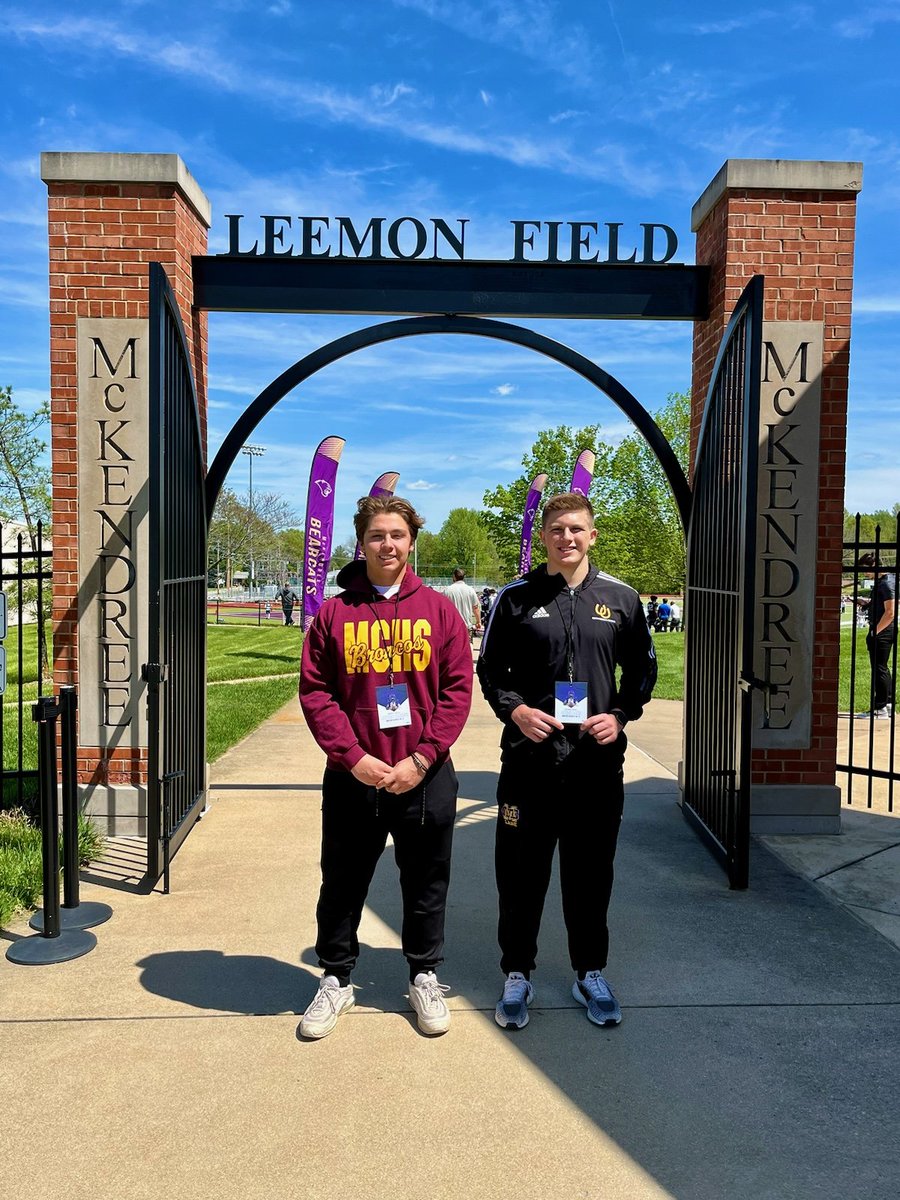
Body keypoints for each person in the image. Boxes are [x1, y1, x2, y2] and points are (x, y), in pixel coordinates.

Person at [477, 493, 657, 1031]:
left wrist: (621, 714)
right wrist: (516, 711)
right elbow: (490, 672)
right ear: (545, 536)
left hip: (594, 768)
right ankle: (516, 973)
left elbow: (642, 672)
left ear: (592, 535)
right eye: (557, 529)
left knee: (590, 873)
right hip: (529, 765)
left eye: (576, 529)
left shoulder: (622, 600)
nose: (567, 538)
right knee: (520, 873)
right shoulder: (514, 599)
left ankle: (589, 971)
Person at [298, 495, 473, 1039]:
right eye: (377, 536)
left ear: (412, 541)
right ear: (362, 542)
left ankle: (423, 975)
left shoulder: (440, 611)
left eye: (397, 535)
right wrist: (354, 759)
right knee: (343, 882)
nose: (388, 545)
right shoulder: (335, 612)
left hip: (425, 774)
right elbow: (316, 692)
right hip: (356, 778)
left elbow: (457, 690)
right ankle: (335, 979)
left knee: (425, 882)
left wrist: (422, 758)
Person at [857, 552, 896, 718]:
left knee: (879, 668)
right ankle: (886, 704)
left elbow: (890, 612)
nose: (865, 574)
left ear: (873, 566)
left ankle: (880, 707)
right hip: (885, 629)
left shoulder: (886, 583)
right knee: (882, 668)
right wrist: (865, 603)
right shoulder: (885, 581)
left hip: (883, 630)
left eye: (866, 570)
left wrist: (874, 632)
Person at [445, 567, 481, 640]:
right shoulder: (471, 590)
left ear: (454, 577)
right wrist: (478, 621)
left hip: (452, 626)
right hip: (466, 625)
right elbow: (475, 608)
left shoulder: (447, 591)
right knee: (468, 645)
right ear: (464, 577)